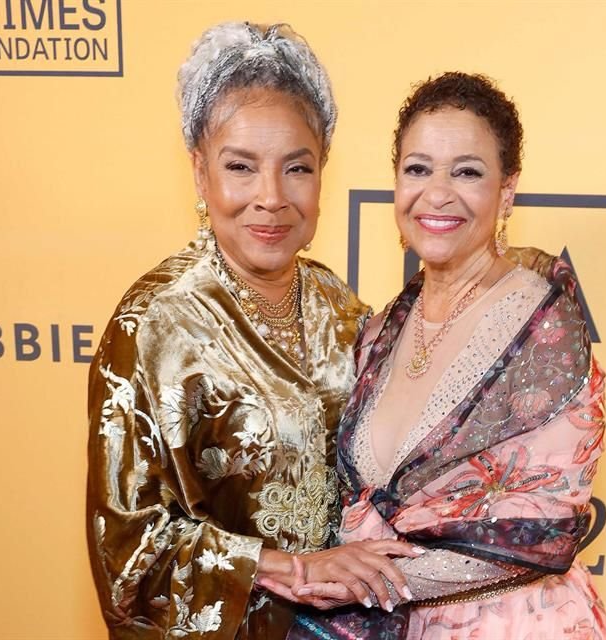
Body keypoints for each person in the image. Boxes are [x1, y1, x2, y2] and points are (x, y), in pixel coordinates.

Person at [85, 22, 417, 640]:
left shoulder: (340, 306)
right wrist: (283, 567)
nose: (271, 198)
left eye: (297, 168)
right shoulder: (154, 324)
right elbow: (126, 549)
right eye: (241, 167)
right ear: (198, 171)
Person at [267, 72, 606, 639]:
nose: (437, 193)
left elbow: (537, 532)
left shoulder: (544, 331)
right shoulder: (378, 330)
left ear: (507, 190)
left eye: (468, 172)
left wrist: (348, 582)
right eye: (418, 168)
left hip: (511, 624)